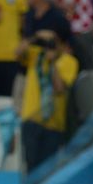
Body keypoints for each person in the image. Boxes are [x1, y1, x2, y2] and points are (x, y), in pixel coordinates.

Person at [19, 26, 78, 171]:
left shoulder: (69, 61)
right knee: (31, 168)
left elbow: (59, 88)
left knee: (46, 171)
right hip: (31, 119)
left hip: (53, 125)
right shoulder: (37, 55)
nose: (51, 45)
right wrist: (35, 37)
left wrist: (52, 63)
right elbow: (18, 52)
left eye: (54, 42)